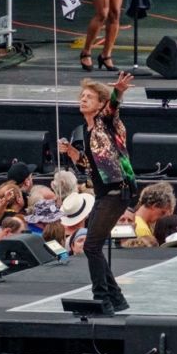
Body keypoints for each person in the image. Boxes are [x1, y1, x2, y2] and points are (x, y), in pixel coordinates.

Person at [57, 73, 136, 313]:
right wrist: (72, 152)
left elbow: (113, 108)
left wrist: (118, 91)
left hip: (116, 191)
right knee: (94, 246)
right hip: (104, 193)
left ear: (101, 103)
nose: (83, 99)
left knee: (91, 246)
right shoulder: (87, 129)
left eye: (89, 97)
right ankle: (116, 299)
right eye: (82, 96)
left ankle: (102, 299)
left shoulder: (106, 122)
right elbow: (90, 165)